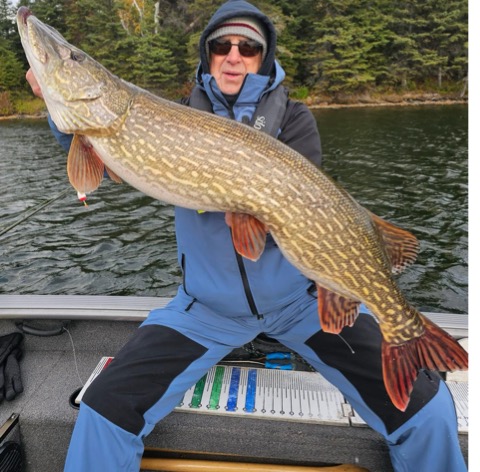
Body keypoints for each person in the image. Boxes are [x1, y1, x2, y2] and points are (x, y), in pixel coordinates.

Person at [27, 0, 467, 471]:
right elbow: (95, 148)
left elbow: (315, 214)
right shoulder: (168, 117)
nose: (233, 56)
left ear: (264, 57)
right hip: (204, 310)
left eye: (248, 48)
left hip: (304, 304)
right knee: (104, 407)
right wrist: (59, 109)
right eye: (221, 46)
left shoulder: (294, 119)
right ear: (208, 55)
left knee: (429, 411)